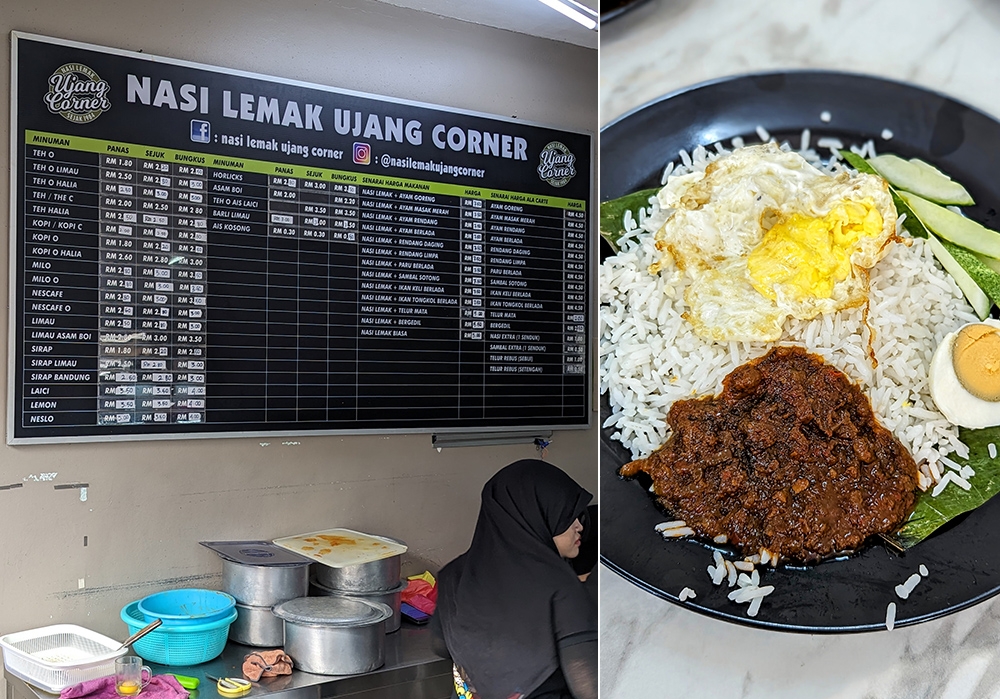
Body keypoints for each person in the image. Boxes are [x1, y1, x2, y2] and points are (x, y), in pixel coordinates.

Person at [430, 459, 597, 699]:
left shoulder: (454, 574)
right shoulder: (559, 588)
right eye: (565, 515)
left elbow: (440, 645)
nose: (579, 526)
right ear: (538, 515)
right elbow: (590, 689)